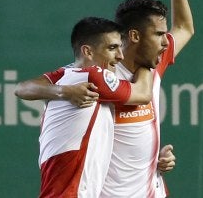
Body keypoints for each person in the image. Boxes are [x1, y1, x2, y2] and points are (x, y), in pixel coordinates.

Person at [16, 0, 194, 197]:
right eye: (158, 35)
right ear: (134, 36)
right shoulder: (97, 74)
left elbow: (185, 27)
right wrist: (64, 92)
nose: (166, 42)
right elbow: (24, 87)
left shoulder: (153, 60)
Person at [15, 17, 154, 198]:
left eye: (120, 47)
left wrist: (63, 91)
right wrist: (146, 62)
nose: (120, 56)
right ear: (88, 51)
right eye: (112, 48)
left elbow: (22, 88)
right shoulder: (94, 76)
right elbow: (143, 94)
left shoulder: (69, 74)